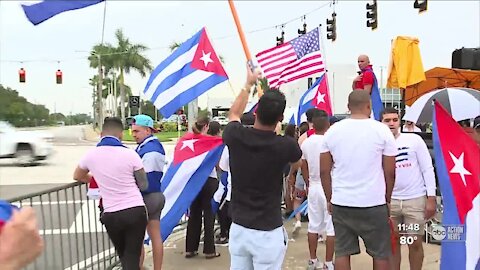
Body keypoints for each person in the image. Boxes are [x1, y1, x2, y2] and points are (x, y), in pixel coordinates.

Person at [223, 64, 302, 269]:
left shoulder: (235, 136)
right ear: (281, 118)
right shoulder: (285, 145)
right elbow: (297, 161)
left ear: (256, 112)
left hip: (239, 227)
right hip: (268, 231)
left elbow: (233, 114)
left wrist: (248, 84)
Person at [319, 91, 397, 270]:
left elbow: (324, 171)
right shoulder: (382, 130)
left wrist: (329, 198)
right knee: (380, 253)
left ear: (348, 107)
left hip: (342, 201)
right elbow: (390, 172)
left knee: (342, 252)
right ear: (369, 106)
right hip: (374, 202)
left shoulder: (333, 131)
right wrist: (387, 199)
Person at [73, 117, 149, 270]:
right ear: (120, 135)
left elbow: (77, 176)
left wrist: (98, 179)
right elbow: (144, 185)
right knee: (133, 256)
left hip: (111, 214)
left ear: (101, 134)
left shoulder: (91, 155)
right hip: (135, 210)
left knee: (123, 255)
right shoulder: (131, 155)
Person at [381, 107, 437, 270]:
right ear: (381, 122)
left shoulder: (414, 140)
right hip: (389, 203)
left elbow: (427, 168)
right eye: (387, 120)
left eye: (394, 120)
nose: (391, 123)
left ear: (399, 121)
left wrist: (431, 197)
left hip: (414, 200)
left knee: (414, 242)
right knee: (393, 244)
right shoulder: (377, 143)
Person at [131, 114, 166, 270]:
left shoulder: (149, 149)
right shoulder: (151, 146)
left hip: (147, 196)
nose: (133, 135)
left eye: (136, 131)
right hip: (155, 195)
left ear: (147, 130)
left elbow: (147, 180)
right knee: (155, 236)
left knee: (137, 238)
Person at [300, 111, 335, 270]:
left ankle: (313, 259)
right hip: (329, 185)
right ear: (327, 126)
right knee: (331, 227)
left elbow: (304, 165)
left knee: (313, 225)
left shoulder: (306, 143)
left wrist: (308, 183)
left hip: (313, 185)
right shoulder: (331, 141)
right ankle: (328, 262)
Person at [185, 117, 220, 259]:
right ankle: (209, 250)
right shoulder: (212, 142)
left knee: (194, 214)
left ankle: (190, 248)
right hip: (209, 180)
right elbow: (218, 164)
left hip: (194, 181)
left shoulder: (189, 141)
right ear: (206, 126)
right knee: (209, 215)